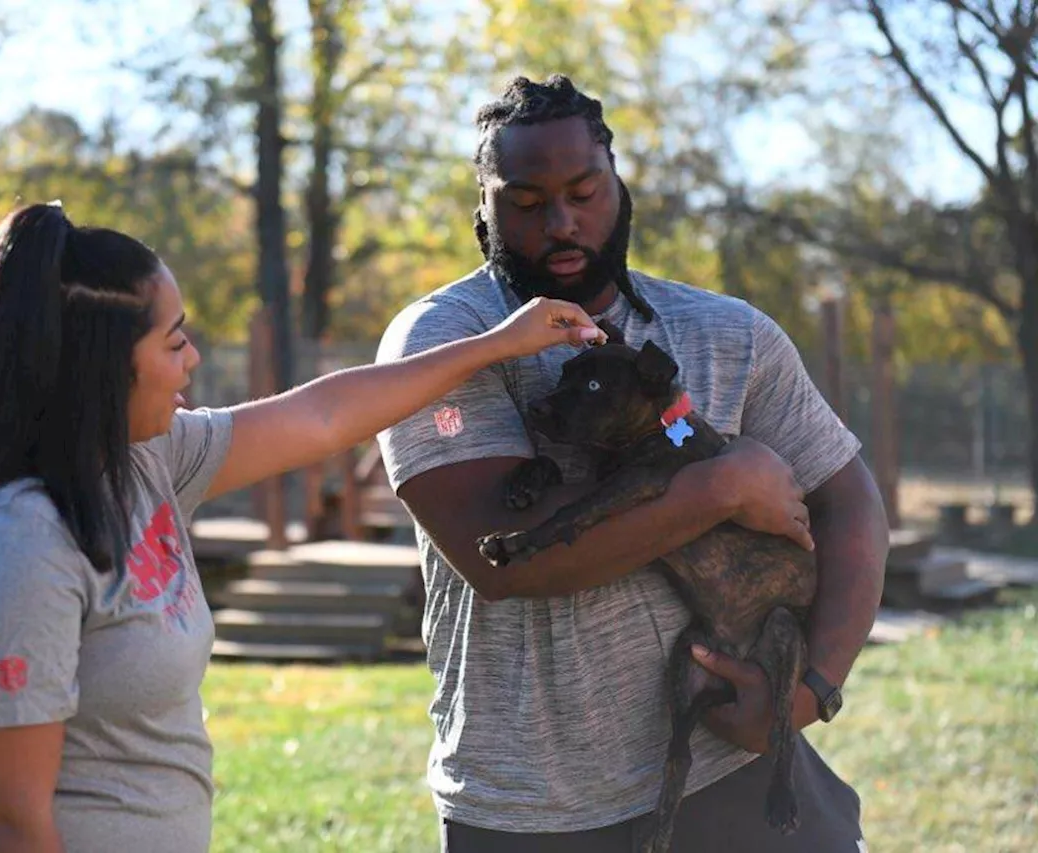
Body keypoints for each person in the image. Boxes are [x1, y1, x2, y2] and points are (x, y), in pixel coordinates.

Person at [0, 201, 607, 853]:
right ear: (98, 367)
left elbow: (322, 417)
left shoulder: (141, 462)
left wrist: (495, 344)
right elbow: (7, 823)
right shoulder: (13, 545)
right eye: (173, 341)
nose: (192, 357)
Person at [375, 75, 889, 852]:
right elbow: (506, 560)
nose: (561, 223)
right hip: (532, 808)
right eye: (524, 202)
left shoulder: (729, 334)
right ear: (482, 209)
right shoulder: (443, 348)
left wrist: (811, 690)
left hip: (730, 775)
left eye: (585, 191)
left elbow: (850, 501)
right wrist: (717, 487)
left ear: (618, 183)